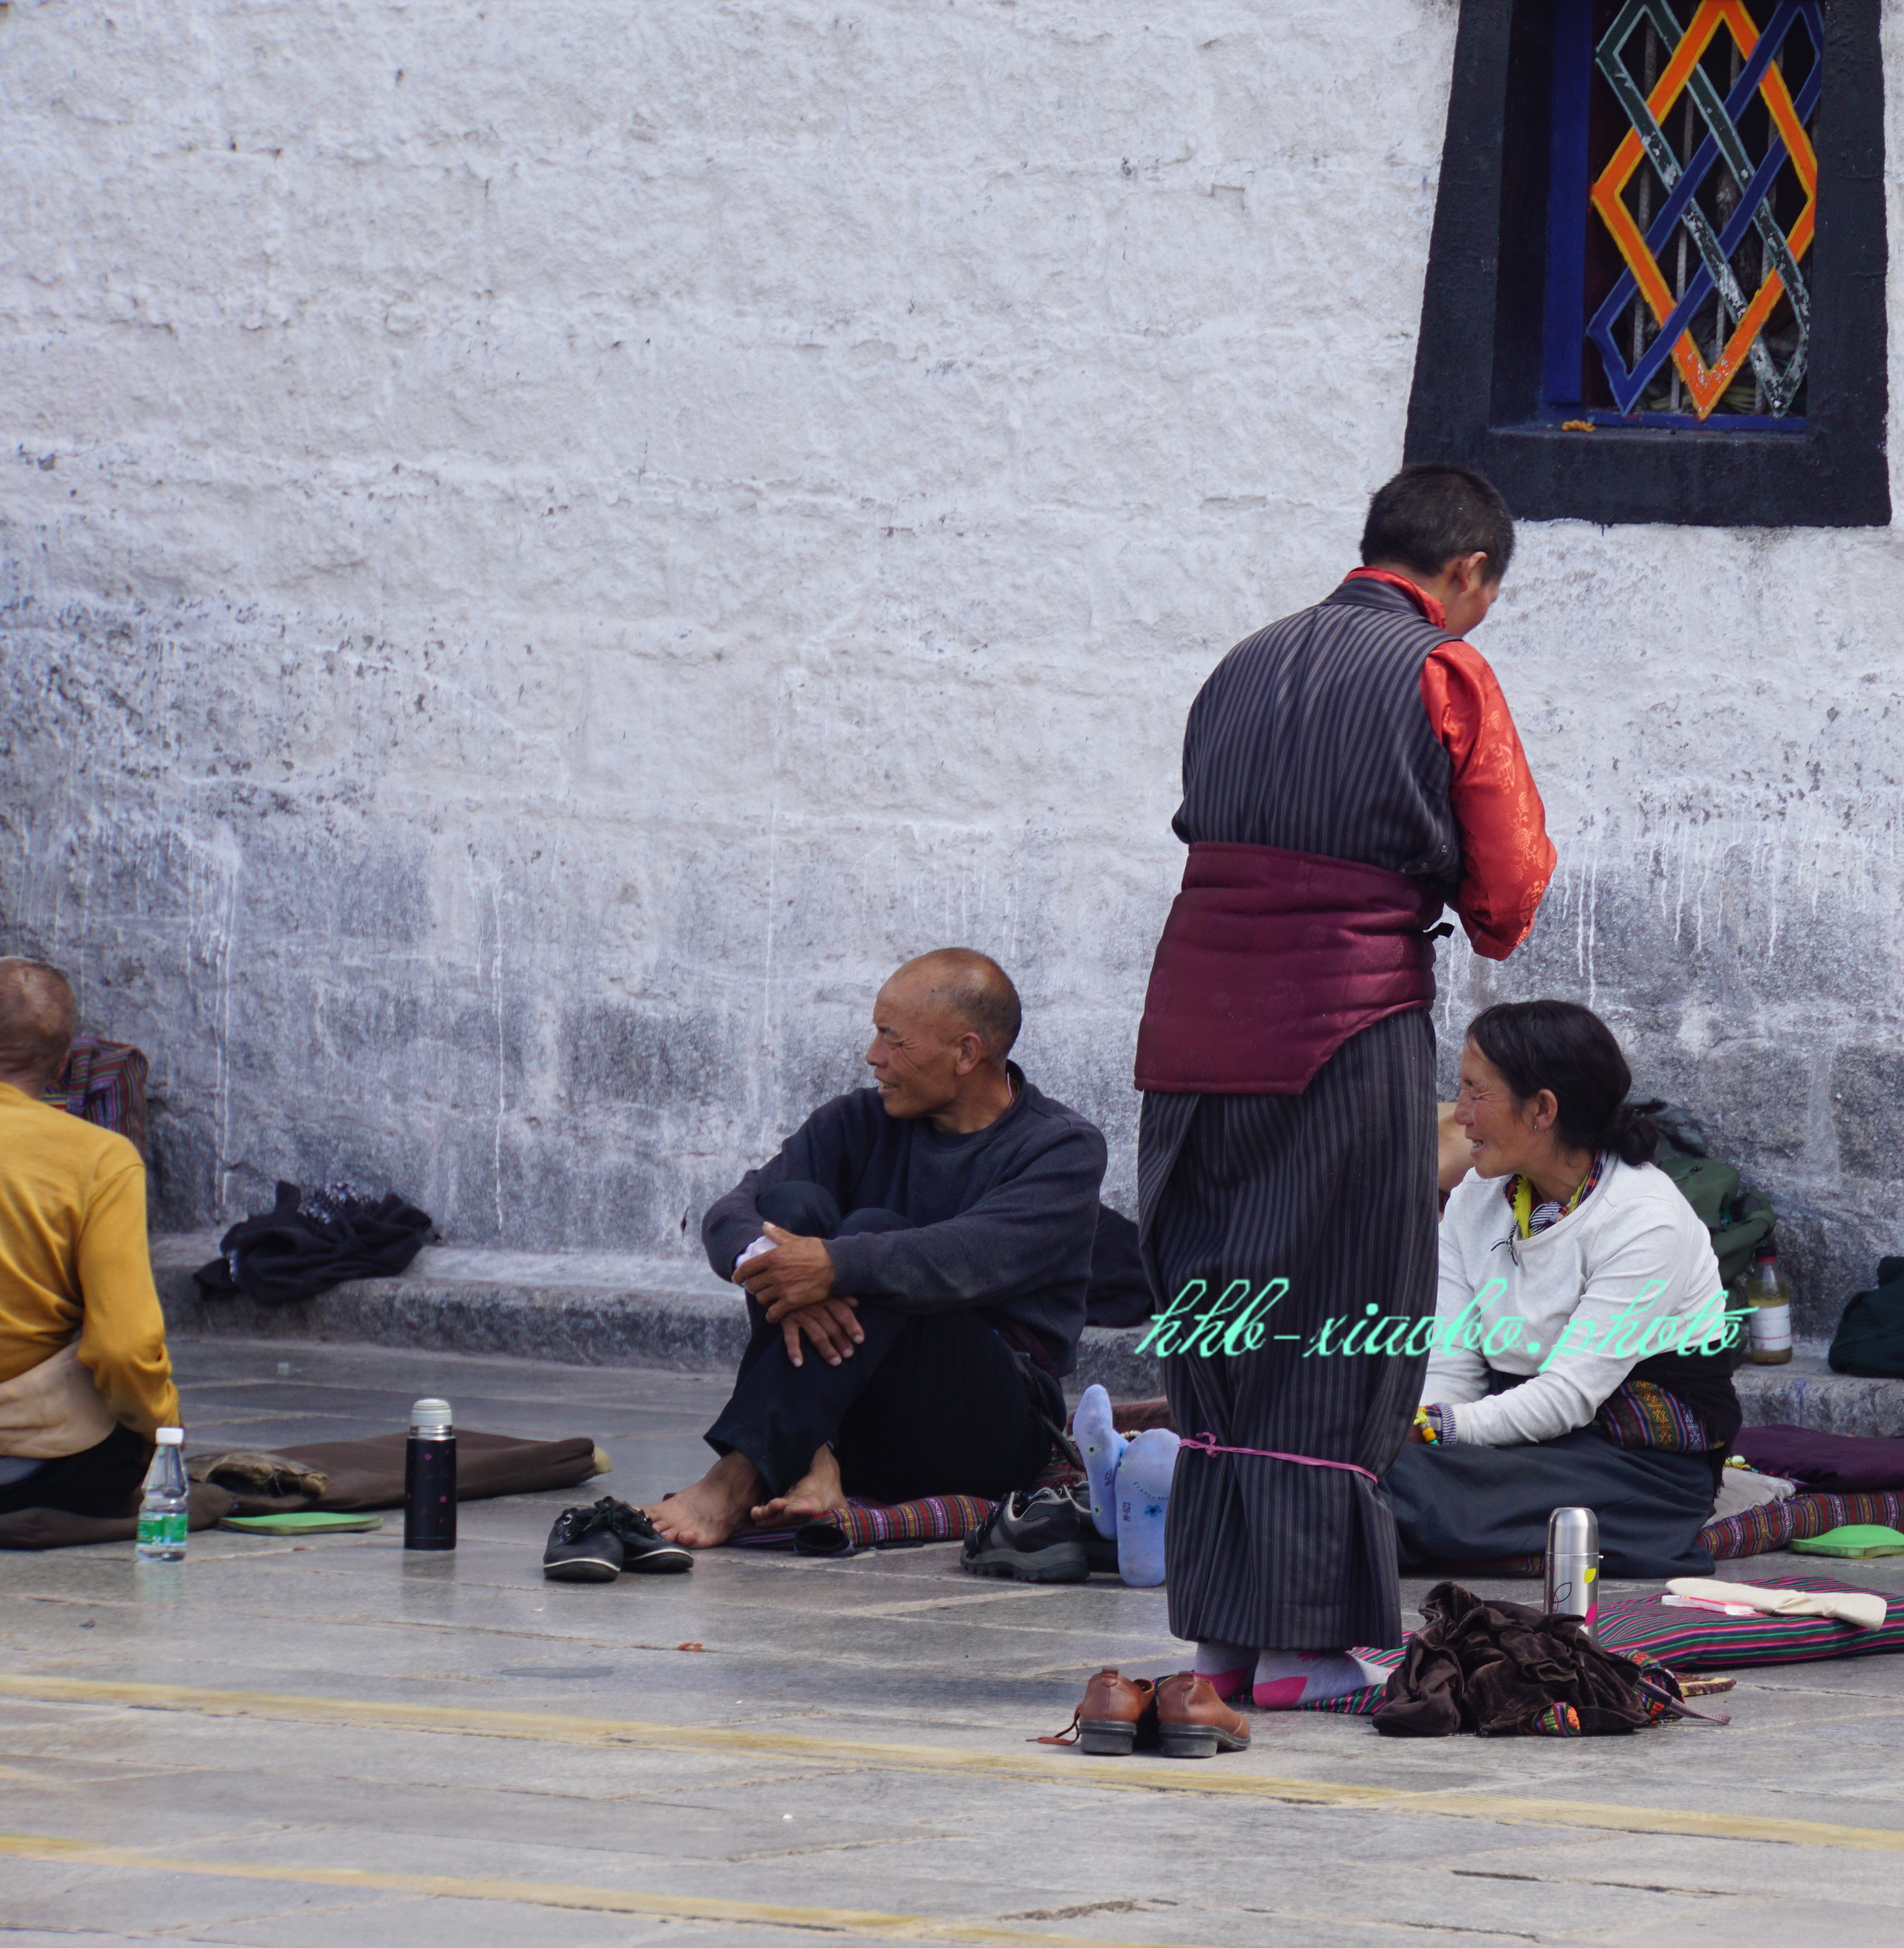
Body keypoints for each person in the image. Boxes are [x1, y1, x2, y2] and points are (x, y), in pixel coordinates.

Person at [1121, 463, 1555, 1714]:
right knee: (1343, 1304)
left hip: (1190, 1018)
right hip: (1342, 1017)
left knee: (1218, 1302)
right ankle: (1307, 1647)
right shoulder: (1443, 671)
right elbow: (1508, 888)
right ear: (1467, 572)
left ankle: (1221, 1641)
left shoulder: (1243, 659)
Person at [646, 950, 1104, 1547]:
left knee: (879, 1242)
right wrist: (786, 1269)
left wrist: (835, 1268)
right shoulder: (856, 1122)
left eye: (894, 1040)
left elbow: (961, 1258)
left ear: (967, 1053)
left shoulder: (1061, 1149)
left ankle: (739, 1474)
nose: (874, 1057)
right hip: (856, 1419)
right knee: (788, 1211)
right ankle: (816, 1457)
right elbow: (731, 1214)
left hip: (980, 1431)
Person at [1386, 999, 1740, 1580]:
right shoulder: (1478, 1195)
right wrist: (1415, 1424)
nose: (1461, 1116)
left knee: (1382, 1481)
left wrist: (1432, 1430)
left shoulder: (1643, 1218)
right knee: (1364, 1459)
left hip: (1632, 1465)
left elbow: (1568, 1396)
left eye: (1477, 1092)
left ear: (1542, 1109)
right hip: (1513, 1438)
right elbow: (1452, 1369)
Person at [0, 958, 180, 1518]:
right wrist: (165, 1431)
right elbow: (123, 1348)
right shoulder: (100, 1159)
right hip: (31, 1457)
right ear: (63, 1061)